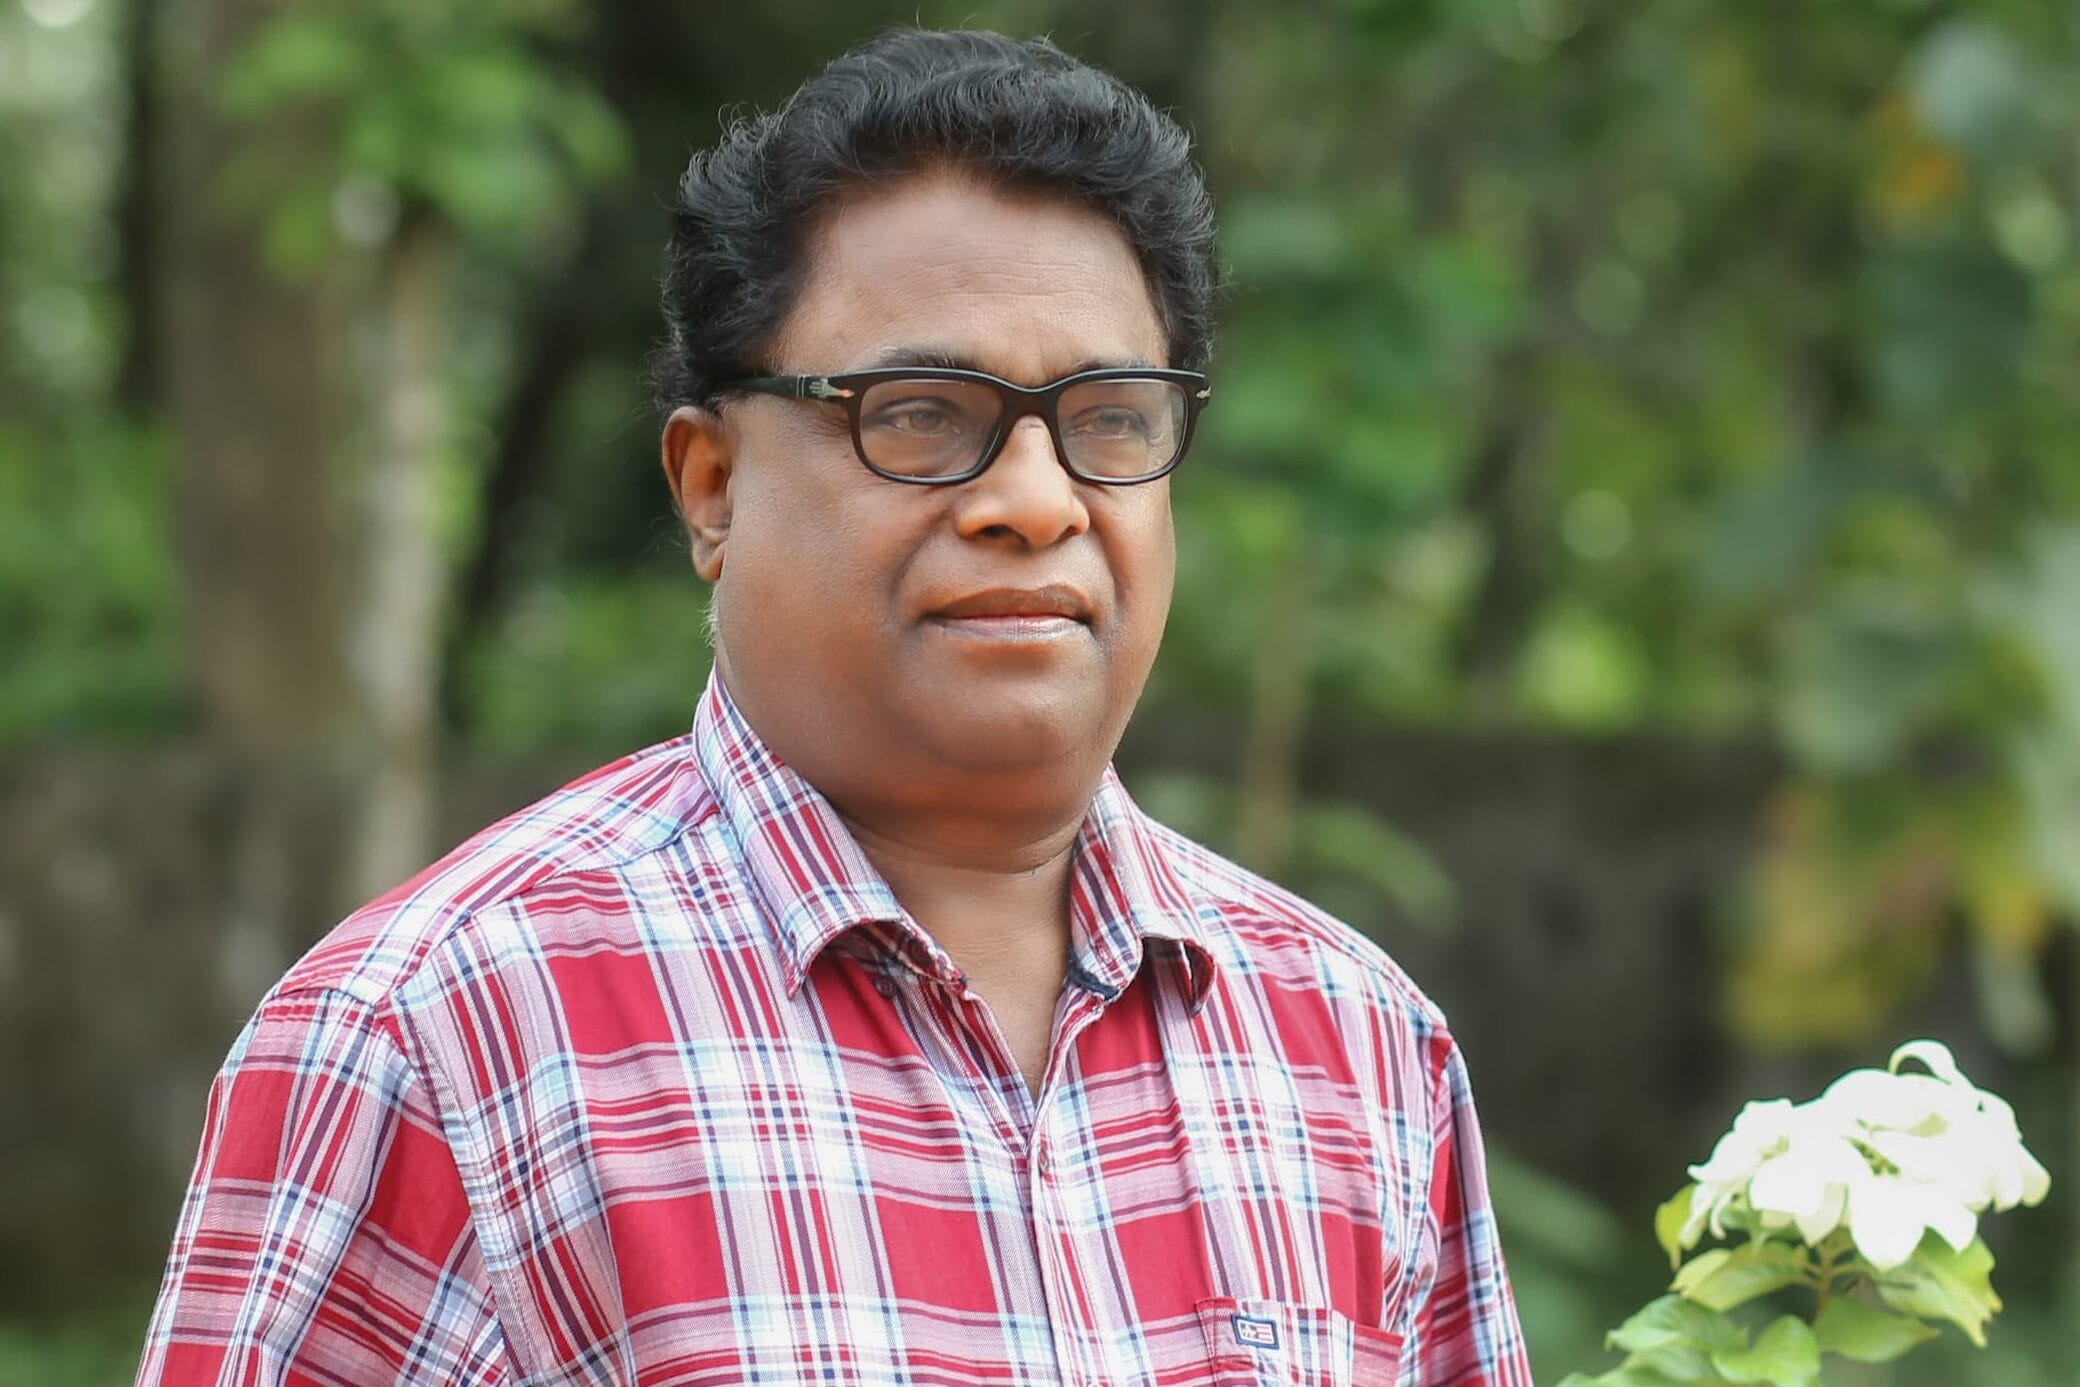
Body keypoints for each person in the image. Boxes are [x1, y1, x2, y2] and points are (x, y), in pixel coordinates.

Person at [137, 29, 1532, 1387]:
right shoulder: (438, 1039)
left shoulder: (1355, 1047)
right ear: (712, 487)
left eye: (1109, 417)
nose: (1036, 501)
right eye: (919, 412)